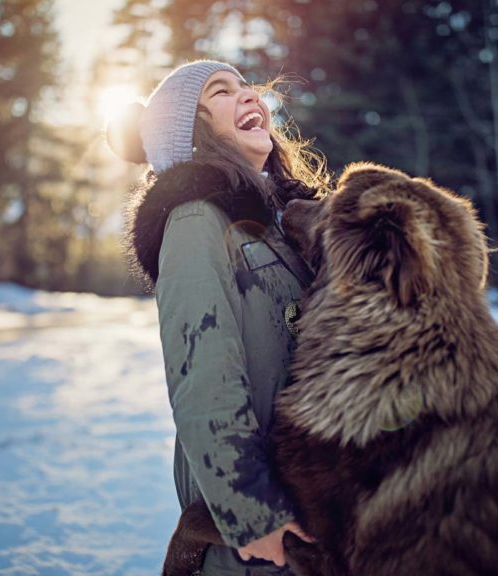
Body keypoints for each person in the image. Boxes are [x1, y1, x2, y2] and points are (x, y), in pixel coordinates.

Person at [107, 60, 328, 575]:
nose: (249, 95)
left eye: (246, 86)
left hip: (307, 501)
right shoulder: (194, 219)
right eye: (222, 92)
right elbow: (203, 377)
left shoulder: (279, 225)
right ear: (192, 132)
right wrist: (249, 512)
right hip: (256, 532)